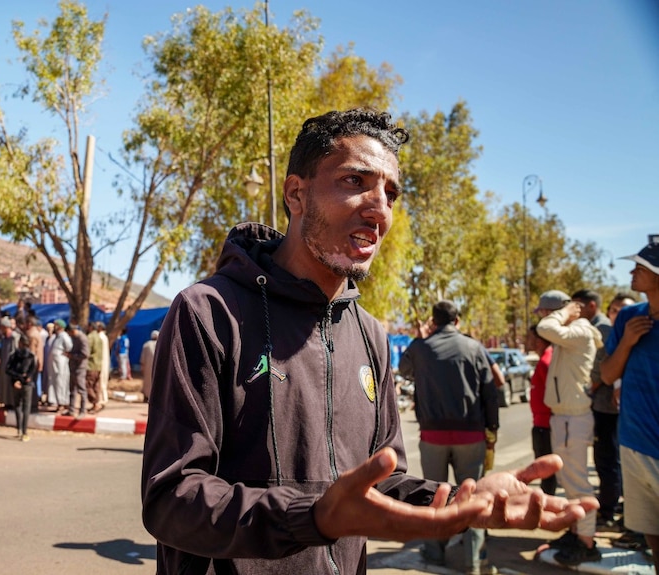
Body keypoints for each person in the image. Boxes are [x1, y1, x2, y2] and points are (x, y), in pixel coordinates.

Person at [140, 108, 597, 575]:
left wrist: (459, 499)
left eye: (391, 193)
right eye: (355, 181)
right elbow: (170, 499)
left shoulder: (370, 333)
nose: (379, 209)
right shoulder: (209, 311)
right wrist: (313, 516)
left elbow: (382, 482)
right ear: (296, 193)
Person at [399, 300, 499, 575]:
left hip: (433, 436)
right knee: (473, 497)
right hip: (471, 435)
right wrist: (492, 429)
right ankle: (473, 561)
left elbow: (403, 371)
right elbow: (490, 393)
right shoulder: (474, 347)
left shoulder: (421, 348)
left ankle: (434, 553)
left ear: (433, 321)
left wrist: (421, 339)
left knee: (435, 496)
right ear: (457, 321)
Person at [600, 242, 659, 571]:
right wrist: (626, 342)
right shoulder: (628, 317)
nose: (632, 272)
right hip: (633, 443)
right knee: (651, 532)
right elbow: (608, 375)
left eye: (640, 267)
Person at [536, 289, 604, 565]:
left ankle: (586, 543)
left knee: (577, 484)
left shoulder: (580, 329)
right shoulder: (573, 331)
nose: (541, 317)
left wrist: (565, 313)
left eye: (545, 311)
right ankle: (577, 532)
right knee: (568, 481)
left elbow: (544, 327)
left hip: (573, 419)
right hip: (565, 417)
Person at [571, 288, 619, 531]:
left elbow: (603, 369)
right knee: (604, 460)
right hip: (601, 404)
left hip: (607, 406)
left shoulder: (603, 329)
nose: (574, 310)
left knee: (608, 460)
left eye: (577, 304)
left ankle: (608, 510)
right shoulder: (595, 326)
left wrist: (590, 389)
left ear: (591, 305)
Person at [527, 324, 556, 496]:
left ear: (538, 340)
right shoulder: (545, 358)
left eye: (530, 337)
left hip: (546, 424)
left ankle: (548, 502)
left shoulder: (547, 360)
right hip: (541, 422)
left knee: (547, 470)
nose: (527, 340)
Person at [5, 333, 38, 442]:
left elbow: (8, 370)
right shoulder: (30, 356)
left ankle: (20, 429)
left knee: (18, 406)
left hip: (18, 383)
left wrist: (17, 379)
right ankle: (23, 430)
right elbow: (32, 371)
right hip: (24, 384)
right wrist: (24, 378)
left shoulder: (14, 356)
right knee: (25, 407)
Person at [65, 323, 90, 417]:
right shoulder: (74, 338)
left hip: (80, 367)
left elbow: (85, 354)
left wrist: (73, 356)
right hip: (73, 366)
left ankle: (82, 411)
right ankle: (71, 410)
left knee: (81, 389)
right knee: (72, 390)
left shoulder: (82, 338)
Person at [47, 319, 72, 413]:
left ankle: (62, 403)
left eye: (56, 325)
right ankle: (58, 402)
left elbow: (69, 348)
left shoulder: (64, 336)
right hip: (55, 365)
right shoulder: (56, 337)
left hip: (61, 364)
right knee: (55, 383)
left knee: (61, 383)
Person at [85, 322, 104, 414]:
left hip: (91, 365)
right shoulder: (99, 337)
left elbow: (87, 351)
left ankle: (95, 404)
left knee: (88, 385)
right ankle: (96, 404)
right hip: (98, 365)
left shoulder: (90, 337)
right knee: (96, 386)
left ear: (90, 327)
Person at [139, 329, 158, 402]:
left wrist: (142, 366)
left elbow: (142, 358)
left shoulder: (146, 345)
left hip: (147, 366)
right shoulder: (160, 344)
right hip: (157, 366)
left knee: (147, 382)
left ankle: (146, 397)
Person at [97, 322, 110, 404]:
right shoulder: (104, 337)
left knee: (101, 382)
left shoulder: (100, 337)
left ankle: (102, 399)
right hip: (104, 362)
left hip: (101, 362)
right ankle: (104, 398)